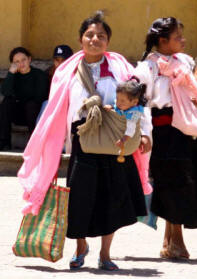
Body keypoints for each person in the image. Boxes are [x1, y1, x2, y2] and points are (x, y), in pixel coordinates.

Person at [17, 11, 152, 271]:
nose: (95, 39)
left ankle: (105, 254)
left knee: (112, 197)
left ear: (108, 41)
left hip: (115, 141)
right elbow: (56, 110)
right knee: (79, 197)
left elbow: (137, 103)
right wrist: (50, 143)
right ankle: (80, 248)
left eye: (101, 36)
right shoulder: (67, 71)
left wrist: (143, 132)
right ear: (81, 39)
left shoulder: (121, 68)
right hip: (83, 140)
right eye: (90, 35)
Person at [134, 17, 197, 259]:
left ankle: (169, 241)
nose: (183, 41)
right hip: (163, 133)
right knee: (173, 184)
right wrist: (144, 134)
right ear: (163, 41)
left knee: (189, 181)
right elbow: (140, 102)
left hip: (186, 130)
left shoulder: (185, 62)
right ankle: (176, 241)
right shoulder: (147, 68)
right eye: (178, 37)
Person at [0, 47, 49, 150]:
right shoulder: (14, 76)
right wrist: (11, 73)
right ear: (13, 64)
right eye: (16, 62)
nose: (21, 63)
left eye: (23, 60)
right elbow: (5, 92)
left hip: (35, 114)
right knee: (6, 102)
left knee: (31, 104)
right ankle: (5, 143)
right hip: (19, 114)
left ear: (29, 59)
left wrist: (20, 99)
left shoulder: (39, 75)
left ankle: (34, 144)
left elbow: (40, 97)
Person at [104, 79, 147, 148]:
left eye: (122, 101)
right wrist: (111, 107)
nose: (118, 103)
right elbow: (116, 106)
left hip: (128, 141)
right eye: (117, 98)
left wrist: (123, 140)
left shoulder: (133, 114)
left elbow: (130, 130)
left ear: (134, 102)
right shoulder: (123, 106)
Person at [36, 45, 73, 122]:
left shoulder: (78, 72)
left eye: (63, 60)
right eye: (57, 60)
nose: (60, 63)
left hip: (71, 104)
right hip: (54, 104)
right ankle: (41, 134)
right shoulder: (49, 73)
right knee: (45, 104)